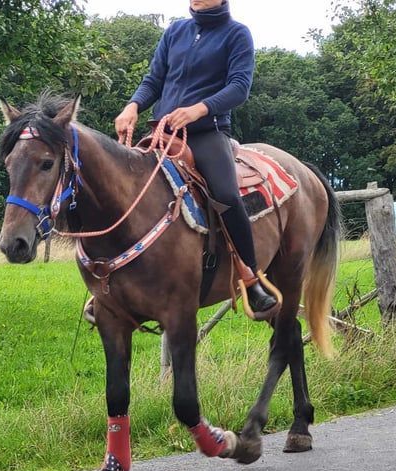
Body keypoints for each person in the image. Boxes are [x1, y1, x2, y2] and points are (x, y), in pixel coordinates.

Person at [114, 0, 278, 315]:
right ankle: (111, 279)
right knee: (120, 184)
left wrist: (198, 109)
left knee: (227, 194)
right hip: (162, 134)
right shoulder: (175, 31)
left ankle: (251, 277)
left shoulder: (237, 34)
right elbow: (154, 80)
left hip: (207, 134)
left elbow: (239, 88)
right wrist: (133, 105)